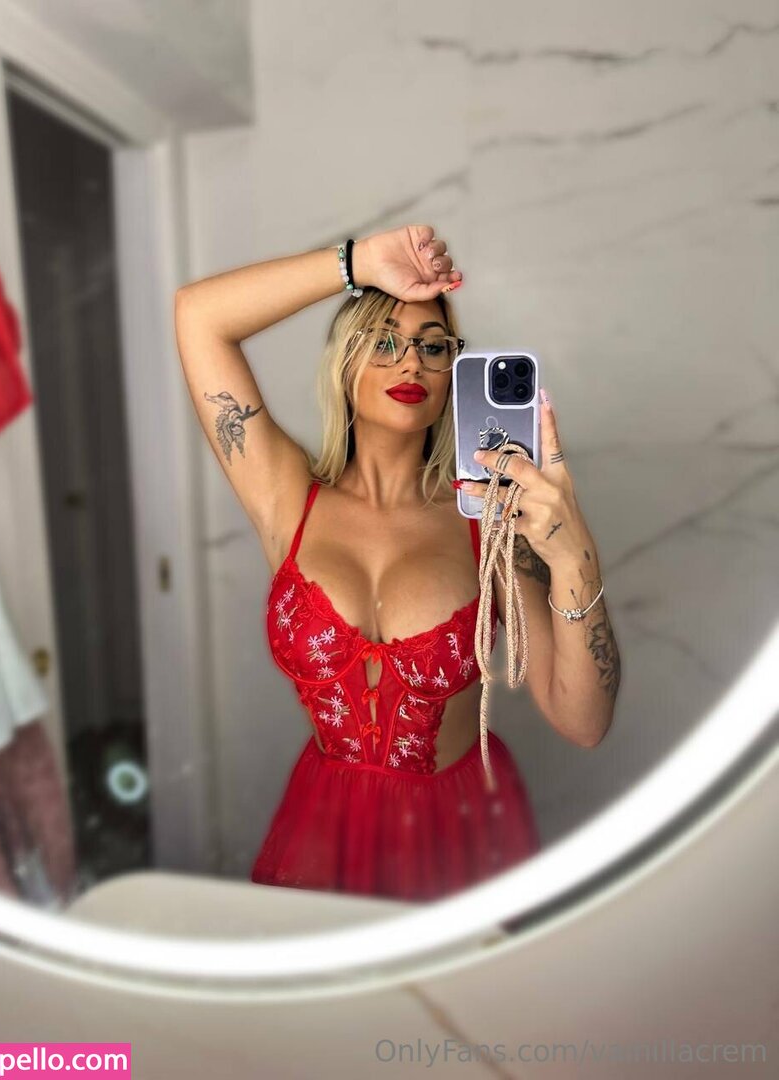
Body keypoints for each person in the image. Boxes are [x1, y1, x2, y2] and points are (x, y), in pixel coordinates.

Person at [174, 224, 618, 903]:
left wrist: (574, 551)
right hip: (323, 832)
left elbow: (582, 721)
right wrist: (358, 262)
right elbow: (199, 315)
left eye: (433, 347)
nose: (411, 363)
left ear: (452, 375)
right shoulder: (286, 497)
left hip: (457, 838)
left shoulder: (489, 520)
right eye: (383, 341)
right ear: (344, 363)